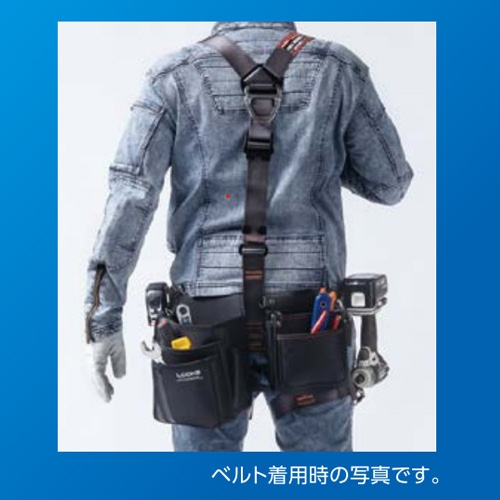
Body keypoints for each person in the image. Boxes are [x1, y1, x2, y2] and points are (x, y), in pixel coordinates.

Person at [84, 22, 413, 451]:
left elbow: (131, 197)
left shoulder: (172, 75)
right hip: (310, 319)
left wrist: (103, 318)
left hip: (202, 322)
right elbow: (391, 184)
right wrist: (321, 153)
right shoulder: (338, 68)